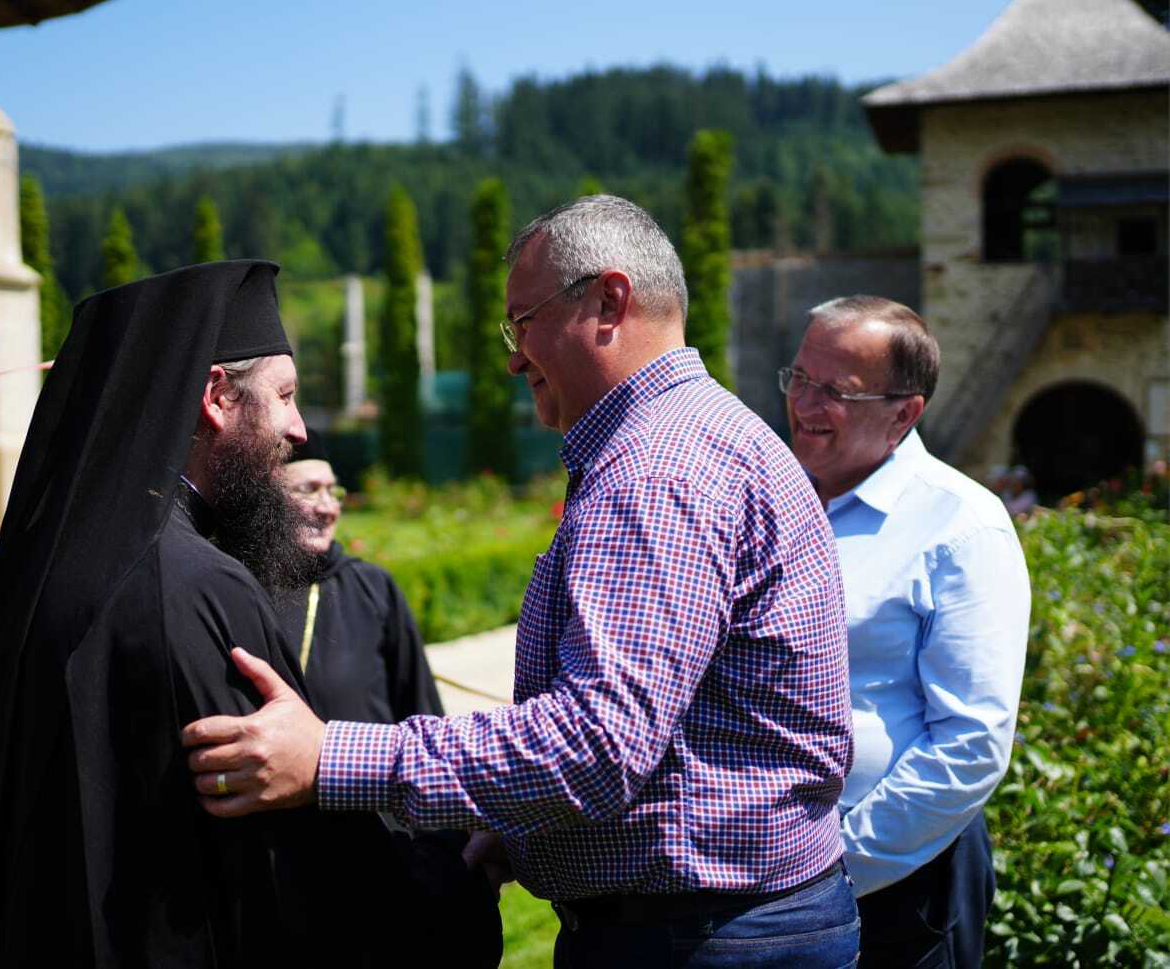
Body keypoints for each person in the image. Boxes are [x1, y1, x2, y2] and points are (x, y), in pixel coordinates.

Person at [183, 196, 858, 968]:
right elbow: (679, 732)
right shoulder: (696, 434)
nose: (511, 357)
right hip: (726, 921)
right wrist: (527, 826)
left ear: (608, 301)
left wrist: (331, 758)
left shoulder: (657, 470)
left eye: (523, 322)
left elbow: (598, 743)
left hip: (695, 938)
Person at [0, 260, 498, 969]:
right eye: (285, 396)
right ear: (216, 396)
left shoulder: (57, 564)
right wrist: (451, 888)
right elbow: (299, 860)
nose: (299, 429)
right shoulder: (200, 586)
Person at [781, 295, 1030, 968]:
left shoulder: (959, 523)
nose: (803, 404)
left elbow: (972, 742)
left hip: (898, 882)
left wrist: (833, 869)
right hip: (767, 888)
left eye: (834, 390)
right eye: (798, 377)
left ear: (903, 413)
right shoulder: (773, 498)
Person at [274, 431, 443, 724]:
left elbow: (423, 711)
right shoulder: (238, 584)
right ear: (269, 497)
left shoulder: (374, 588)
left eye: (333, 492)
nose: (327, 507)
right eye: (308, 489)